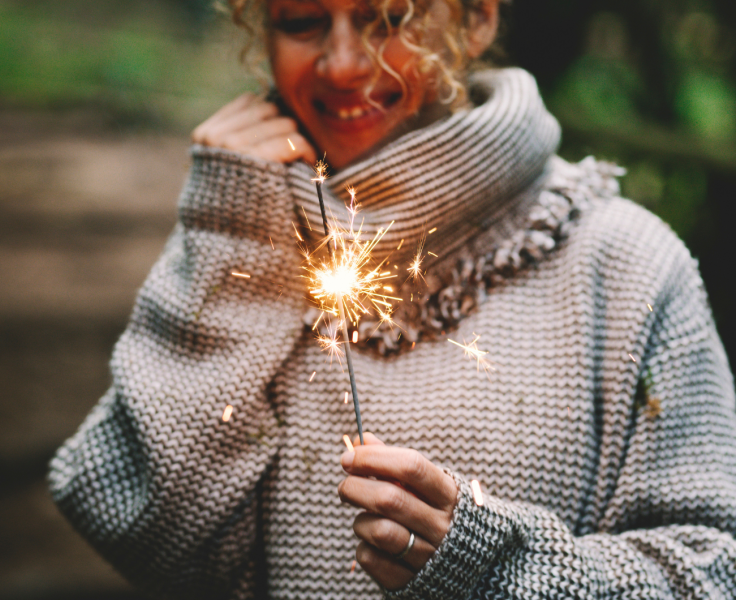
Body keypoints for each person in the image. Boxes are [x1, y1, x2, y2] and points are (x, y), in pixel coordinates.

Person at [49, 0, 736, 598]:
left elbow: (714, 572)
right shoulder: (244, 225)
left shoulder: (625, 264)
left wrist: (495, 570)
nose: (344, 65)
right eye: (302, 21)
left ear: (477, 17)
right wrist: (227, 243)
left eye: (388, 18)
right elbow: (142, 535)